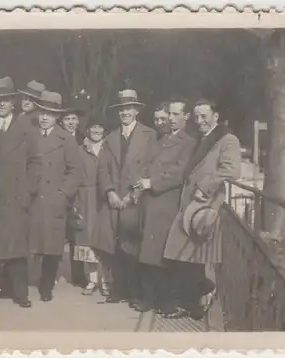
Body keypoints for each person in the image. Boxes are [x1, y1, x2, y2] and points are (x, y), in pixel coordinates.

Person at [163, 98, 241, 319]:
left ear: (216, 116)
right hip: (190, 205)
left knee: (191, 256)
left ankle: (201, 296)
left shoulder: (227, 139)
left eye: (203, 116)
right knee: (183, 256)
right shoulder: (204, 138)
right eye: (196, 117)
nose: (199, 121)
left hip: (205, 207)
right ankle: (195, 302)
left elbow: (232, 171)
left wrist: (205, 187)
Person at [0, 76, 41, 308]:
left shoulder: (25, 126)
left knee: (17, 247)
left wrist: (28, 190)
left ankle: (20, 292)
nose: (2, 104)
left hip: (17, 195)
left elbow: (36, 161)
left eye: (5, 99)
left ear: (13, 102)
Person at [92, 89, 157, 307]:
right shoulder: (110, 138)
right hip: (114, 200)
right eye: (122, 109)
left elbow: (150, 168)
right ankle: (118, 289)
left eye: (129, 108)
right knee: (115, 247)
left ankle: (136, 293)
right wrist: (110, 191)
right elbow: (102, 169)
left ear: (137, 111)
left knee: (134, 247)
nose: (125, 112)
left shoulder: (149, 135)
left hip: (135, 199)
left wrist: (133, 194)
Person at [133, 99, 197, 313]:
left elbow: (180, 172)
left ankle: (163, 301)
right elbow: (149, 163)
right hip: (151, 201)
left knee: (161, 253)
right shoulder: (162, 139)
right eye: (169, 113)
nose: (170, 118)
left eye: (175, 114)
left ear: (186, 117)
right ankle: (150, 298)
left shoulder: (189, 143)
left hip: (167, 201)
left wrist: (152, 182)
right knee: (148, 251)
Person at [29, 90, 83, 302]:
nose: (44, 117)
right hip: (34, 197)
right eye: (42, 112)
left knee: (52, 244)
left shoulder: (66, 139)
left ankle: (46, 284)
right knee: (33, 241)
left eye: (49, 114)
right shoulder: (31, 136)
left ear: (56, 117)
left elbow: (76, 171)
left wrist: (62, 194)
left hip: (54, 199)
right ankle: (24, 281)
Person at [72, 119, 112, 296]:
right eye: (93, 127)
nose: (96, 130)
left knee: (105, 239)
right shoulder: (80, 150)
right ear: (87, 130)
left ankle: (106, 280)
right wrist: (76, 203)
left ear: (104, 130)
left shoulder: (109, 149)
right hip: (86, 198)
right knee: (87, 239)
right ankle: (92, 279)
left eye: (100, 126)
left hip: (104, 197)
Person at [59, 105, 88, 288]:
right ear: (62, 121)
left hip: (79, 193)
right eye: (67, 119)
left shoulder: (84, 140)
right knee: (57, 233)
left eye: (73, 119)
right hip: (61, 190)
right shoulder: (58, 138)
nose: (70, 122)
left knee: (78, 235)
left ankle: (79, 275)